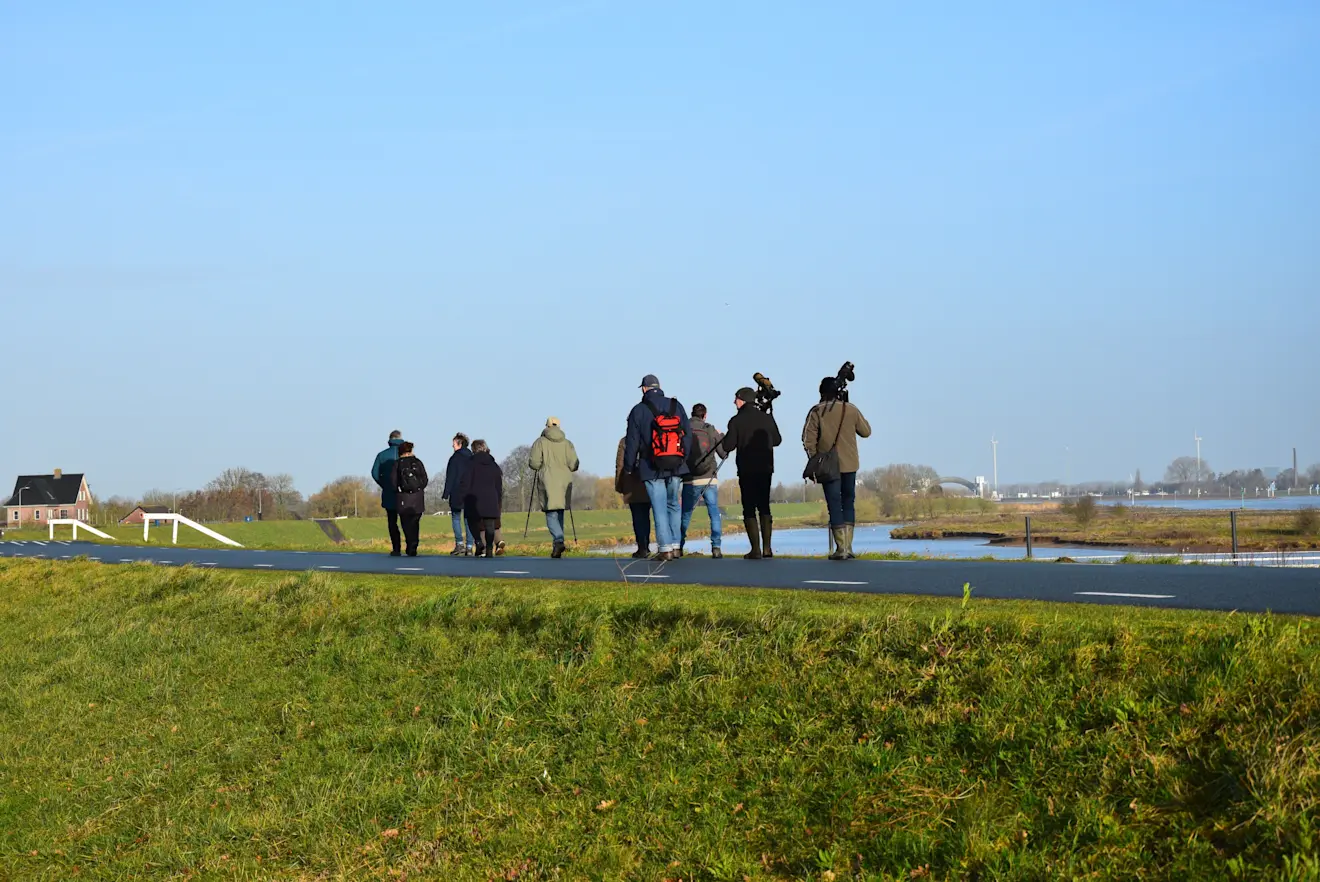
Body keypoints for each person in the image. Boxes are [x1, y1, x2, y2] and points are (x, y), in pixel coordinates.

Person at [802, 376, 873, 560]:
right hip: (850, 463)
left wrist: (815, 459)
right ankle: (848, 548)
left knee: (834, 505)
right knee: (848, 502)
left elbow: (807, 439)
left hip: (828, 466)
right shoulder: (851, 409)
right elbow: (866, 431)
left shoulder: (817, 411)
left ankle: (840, 549)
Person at [624, 374, 690, 561]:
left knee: (659, 507)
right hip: (677, 465)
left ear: (644, 389)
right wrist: (683, 458)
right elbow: (687, 435)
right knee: (674, 505)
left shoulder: (638, 410)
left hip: (650, 466)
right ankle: (676, 546)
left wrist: (629, 467)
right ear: (659, 387)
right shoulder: (676, 406)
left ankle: (665, 548)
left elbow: (632, 441)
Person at [718, 388, 782, 559]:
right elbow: (777, 440)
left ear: (742, 400)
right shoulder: (766, 418)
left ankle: (756, 550)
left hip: (747, 468)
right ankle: (767, 548)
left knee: (748, 508)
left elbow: (727, 446)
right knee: (764, 506)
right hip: (766, 467)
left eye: (736, 399)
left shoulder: (736, 421)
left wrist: (724, 437)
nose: (734, 403)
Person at [528, 417, 580, 559]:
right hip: (564, 481)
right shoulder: (567, 443)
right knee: (560, 512)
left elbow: (534, 463)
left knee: (550, 513)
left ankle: (558, 540)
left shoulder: (540, 442)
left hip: (547, 480)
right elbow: (574, 464)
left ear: (547, 426)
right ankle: (558, 543)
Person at [680, 403, 727, 558]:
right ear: (705, 415)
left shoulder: (684, 428)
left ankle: (678, 545)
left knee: (686, 513)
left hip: (689, 478)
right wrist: (721, 437)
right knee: (714, 513)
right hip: (709, 478)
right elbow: (723, 454)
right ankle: (716, 547)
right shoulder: (710, 429)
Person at [458, 439, 503, 558]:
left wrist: (462, 496)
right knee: (489, 526)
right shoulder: (493, 464)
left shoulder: (470, 464)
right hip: (491, 498)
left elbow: (465, 482)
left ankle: (478, 542)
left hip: (473, 498)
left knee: (472, 522)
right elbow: (498, 483)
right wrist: (498, 498)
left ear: (473, 450)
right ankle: (489, 547)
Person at [370, 430, 407, 556]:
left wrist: (384, 484)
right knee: (406, 521)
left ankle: (396, 548)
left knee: (392, 522)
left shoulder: (381, 455)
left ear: (390, 440)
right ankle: (410, 546)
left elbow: (374, 473)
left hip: (389, 493)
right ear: (400, 439)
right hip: (405, 494)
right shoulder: (406, 454)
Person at [389, 441, 429, 557]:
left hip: (403, 497)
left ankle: (409, 543)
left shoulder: (397, 464)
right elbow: (425, 480)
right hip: (417, 498)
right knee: (415, 522)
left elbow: (393, 482)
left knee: (405, 523)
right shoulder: (417, 462)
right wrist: (418, 489)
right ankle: (414, 544)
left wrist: (397, 491)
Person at [615, 435, 652, 558]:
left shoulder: (625, 441)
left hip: (631, 483)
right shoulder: (650, 436)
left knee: (637, 517)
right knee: (646, 516)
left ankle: (642, 547)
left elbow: (619, 465)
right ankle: (646, 545)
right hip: (648, 481)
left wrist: (619, 485)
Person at [442, 433, 477, 556]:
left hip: (456, 492)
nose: (452, 446)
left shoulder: (454, 459)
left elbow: (450, 477)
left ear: (459, 444)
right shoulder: (472, 457)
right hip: (470, 492)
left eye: (454, 444)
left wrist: (446, 493)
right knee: (468, 520)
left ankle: (459, 544)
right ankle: (469, 546)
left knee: (456, 518)